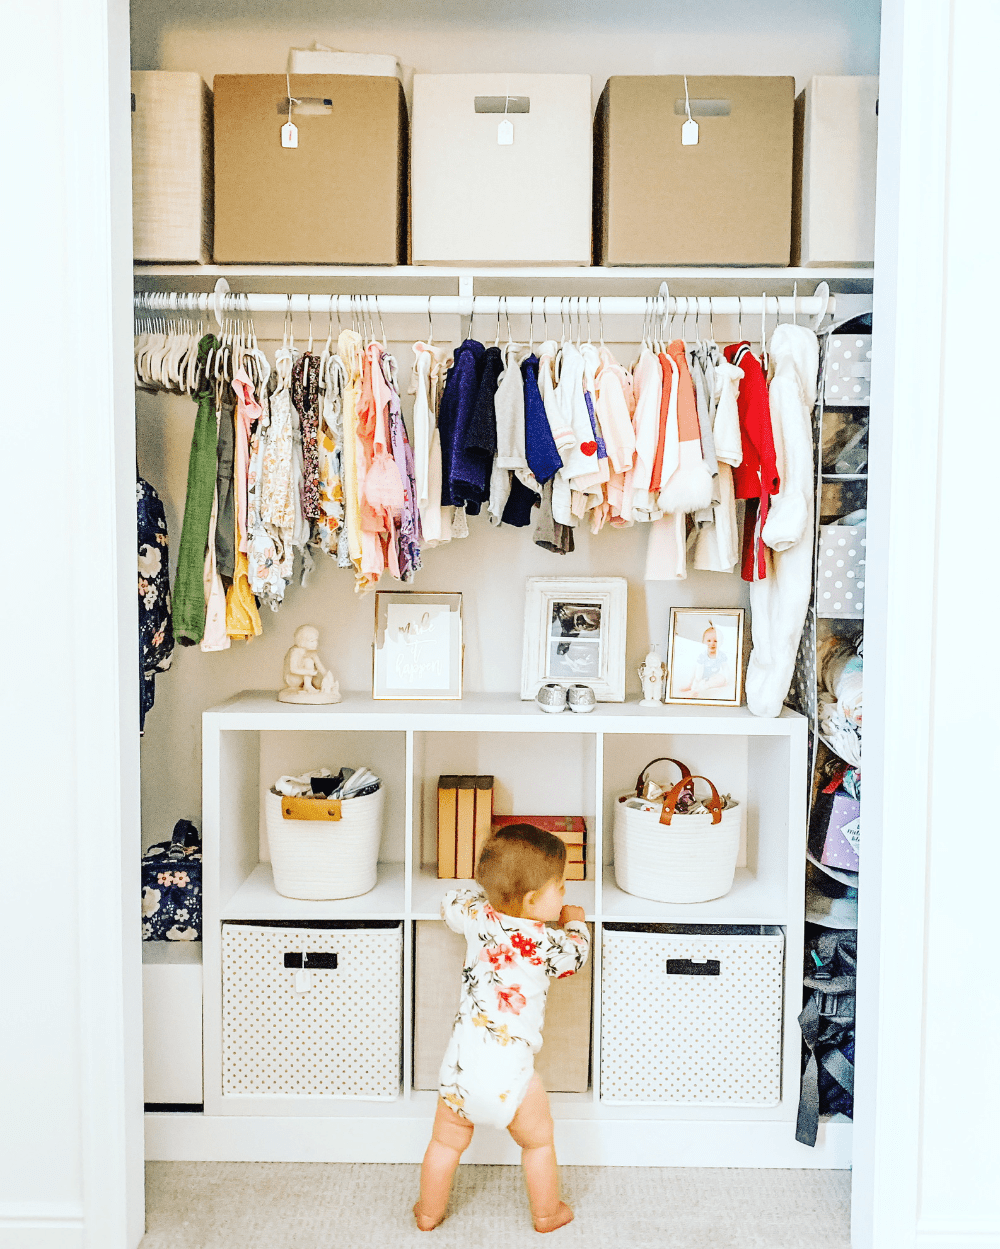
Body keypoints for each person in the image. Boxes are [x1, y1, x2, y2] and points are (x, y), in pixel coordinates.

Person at [414, 825, 590, 1234]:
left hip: (458, 1071)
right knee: (538, 1143)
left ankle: (428, 1212)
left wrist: (488, 895)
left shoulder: (478, 916)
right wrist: (576, 923)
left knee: (443, 1145)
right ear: (532, 900)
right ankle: (547, 1213)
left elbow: (450, 903)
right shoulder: (546, 944)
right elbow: (576, 957)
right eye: (560, 887)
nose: (564, 894)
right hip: (512, 1079)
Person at [677, 623, 732, 698]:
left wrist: (727, 679)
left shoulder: (721, 655)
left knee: (721, 678)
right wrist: (697, 680)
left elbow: (725, 668)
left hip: (713, 676)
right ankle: (691, 687)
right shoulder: (703, 655)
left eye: (715, 641)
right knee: (695, 670)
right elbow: (699, 670)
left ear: (721, 642)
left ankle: (704, 687)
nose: (712, 643)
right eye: (709, 641)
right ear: (703, 641)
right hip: (701, 675)